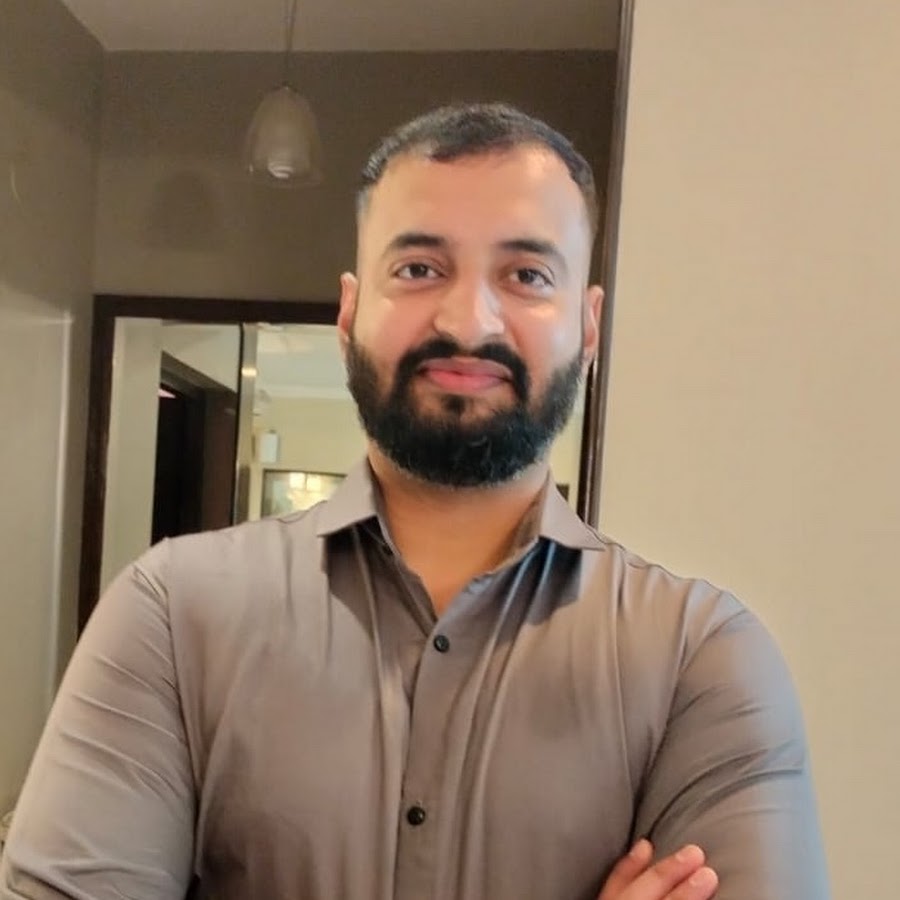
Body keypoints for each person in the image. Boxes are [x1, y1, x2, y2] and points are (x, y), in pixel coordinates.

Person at [0, 103, 829, 899]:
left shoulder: (699, 660)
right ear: (351, 310)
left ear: (588, 323)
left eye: (527, 275)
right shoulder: (173, 616)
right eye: (420, 269)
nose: (469, 323)